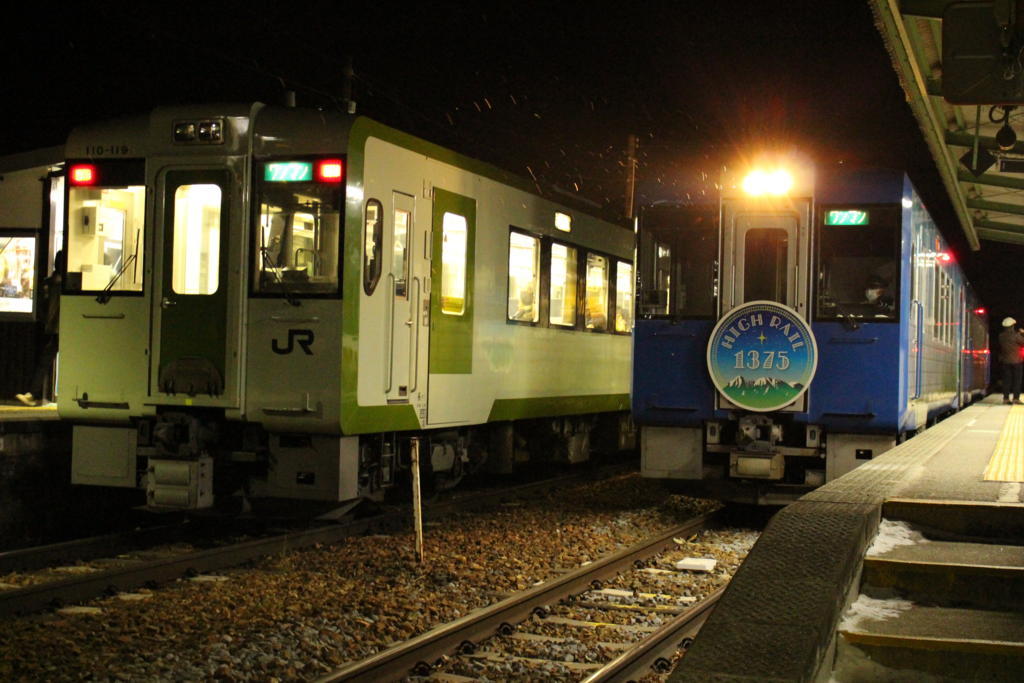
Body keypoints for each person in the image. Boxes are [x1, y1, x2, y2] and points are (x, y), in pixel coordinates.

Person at [16, 250, 62, 406]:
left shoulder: (47, 283)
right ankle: (33, 394)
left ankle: (32, 394)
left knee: (44, 361)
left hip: (52, 328)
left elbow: (42, 307)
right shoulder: (67, 285)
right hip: (66, 328)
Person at [998, 316, 1024, 405]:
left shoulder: (1001, 336)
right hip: (1017, 361)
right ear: (1012, 326)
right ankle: (1015, 398)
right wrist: (1022, 333)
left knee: (1007, 380)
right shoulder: (1016, 335)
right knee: (1017, 380)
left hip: (1005, 361)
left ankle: (1006, 399)